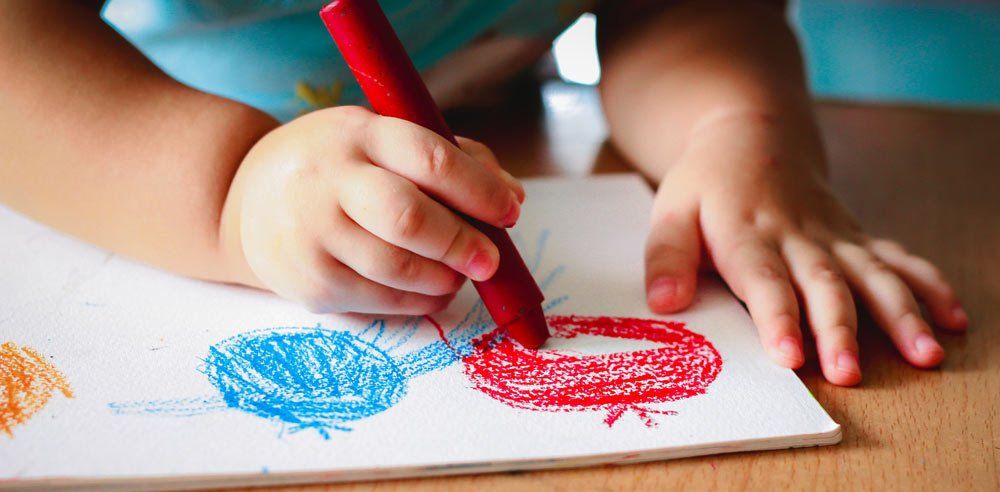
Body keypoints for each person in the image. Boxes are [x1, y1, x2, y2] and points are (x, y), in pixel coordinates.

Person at [0, 0, 968, 387]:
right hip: (145, 132)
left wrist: (731, 131)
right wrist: (231, 194)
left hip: (511, 131)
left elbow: (675, 10)